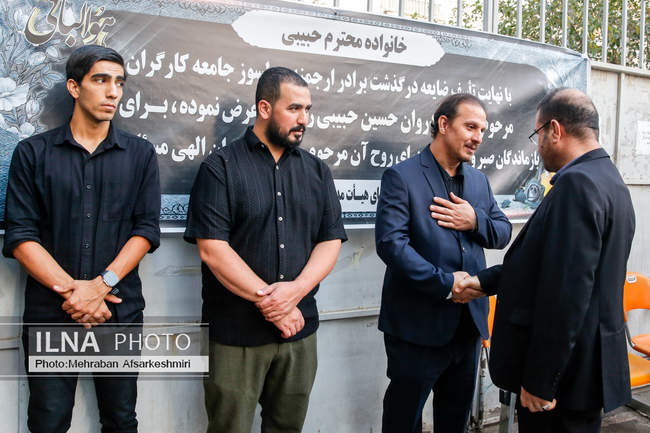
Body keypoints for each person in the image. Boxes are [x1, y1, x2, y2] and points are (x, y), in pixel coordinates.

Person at [456, 88, 636, 433]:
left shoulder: (577, 185)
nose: (538, 147)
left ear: (555, 130)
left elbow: (566, 294)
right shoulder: (609, 179)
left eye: (537, 134)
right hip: (584, 371)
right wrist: (483, 282)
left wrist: (541, 380)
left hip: (562, 379)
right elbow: (547, 266)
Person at [3, 45, 160, 433]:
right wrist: (77, 294)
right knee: (48, 421)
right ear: (74, 87)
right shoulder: (32, 154)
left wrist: (100, 286)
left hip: (118, 312)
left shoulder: (140, 154)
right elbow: (22, 236)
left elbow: (145, 231)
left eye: (119, 83)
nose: (113, 92)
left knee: (120, 419)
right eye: (101, 80)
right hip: (51, 313)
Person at [184, 66, 346, 433]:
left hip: (298, 331)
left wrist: (295, 292)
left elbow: (330, 240)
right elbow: (212, 249)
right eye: (294, 108)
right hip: (236, 335)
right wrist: (275, 305)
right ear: (264, 108)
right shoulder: (220, 168)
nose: (304, 119)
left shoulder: (317, 171)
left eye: (307, 109)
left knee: (287, 427)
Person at [374, 93, 512, 433]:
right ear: (444, 124)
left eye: (482, 130)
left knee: (455, 420)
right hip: (416, 326)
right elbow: (391, 245)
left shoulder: (478, 181)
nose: (478, 137)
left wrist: (475, 220)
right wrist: (446, 284)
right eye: (471, 127)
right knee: (403, 419)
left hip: (467, 326)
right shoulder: (402, 177)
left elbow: (502, 233)